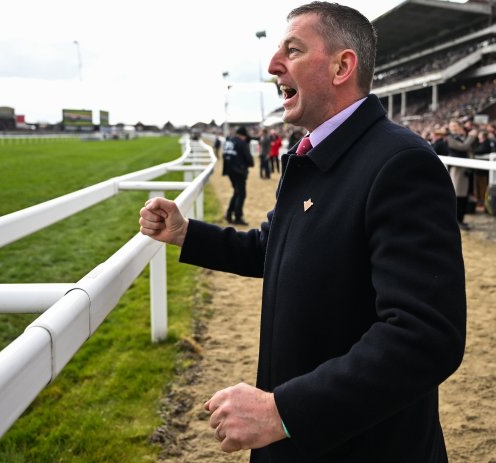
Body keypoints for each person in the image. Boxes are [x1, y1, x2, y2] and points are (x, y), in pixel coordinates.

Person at [138, 3, 466, 461]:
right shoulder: (314, 151)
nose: (274, 65)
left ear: (341, 66)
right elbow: (273, 248)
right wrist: (187, 233)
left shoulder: (401, 163)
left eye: (292, 50)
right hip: (304, 437)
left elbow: (425, 335)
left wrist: (283, 411)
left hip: (361, 446)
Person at [446, 120, 476, 230]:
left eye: (455, 126)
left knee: (464, 196)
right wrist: (471, 137)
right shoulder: (450, 138)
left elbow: (469, 149)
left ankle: (461, 220)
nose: (453, 128)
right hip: (457, 170)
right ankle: (456, 220)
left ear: (460, 127)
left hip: (465, 170)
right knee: (457, 195)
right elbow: (463, 147)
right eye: (451, 126)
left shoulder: (463, 137)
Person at [222, 126, 255, 225]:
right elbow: (250, 161)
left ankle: (228, 214)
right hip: (239, 171)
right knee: (241, 194)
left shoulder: (229, 141)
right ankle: (237, 217)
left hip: (229, 170)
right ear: (243, 135)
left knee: (236, 192)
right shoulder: (242, 143)